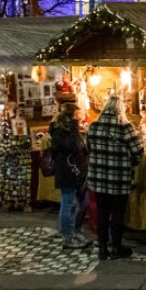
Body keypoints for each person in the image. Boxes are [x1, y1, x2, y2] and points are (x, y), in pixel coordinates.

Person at [86, 95, 143, 260]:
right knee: (118, 213)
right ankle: (116, 248)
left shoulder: (93, 126)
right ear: (120, 109)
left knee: (102, 213)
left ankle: (102, 249)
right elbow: (138, 152)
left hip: (98, 178)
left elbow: (88, 147)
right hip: (119, 178)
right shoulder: (125, 127)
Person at [49, 101, 91, 248]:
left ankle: (75, 230)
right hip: (68, 172)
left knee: (84, 203)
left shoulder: (71, 131)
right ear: (72, 116)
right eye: (78, 116)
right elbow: (72, 147)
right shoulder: (60, 132)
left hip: (79, 172)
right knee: (67, 204)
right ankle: (68, 236)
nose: (80, 119)